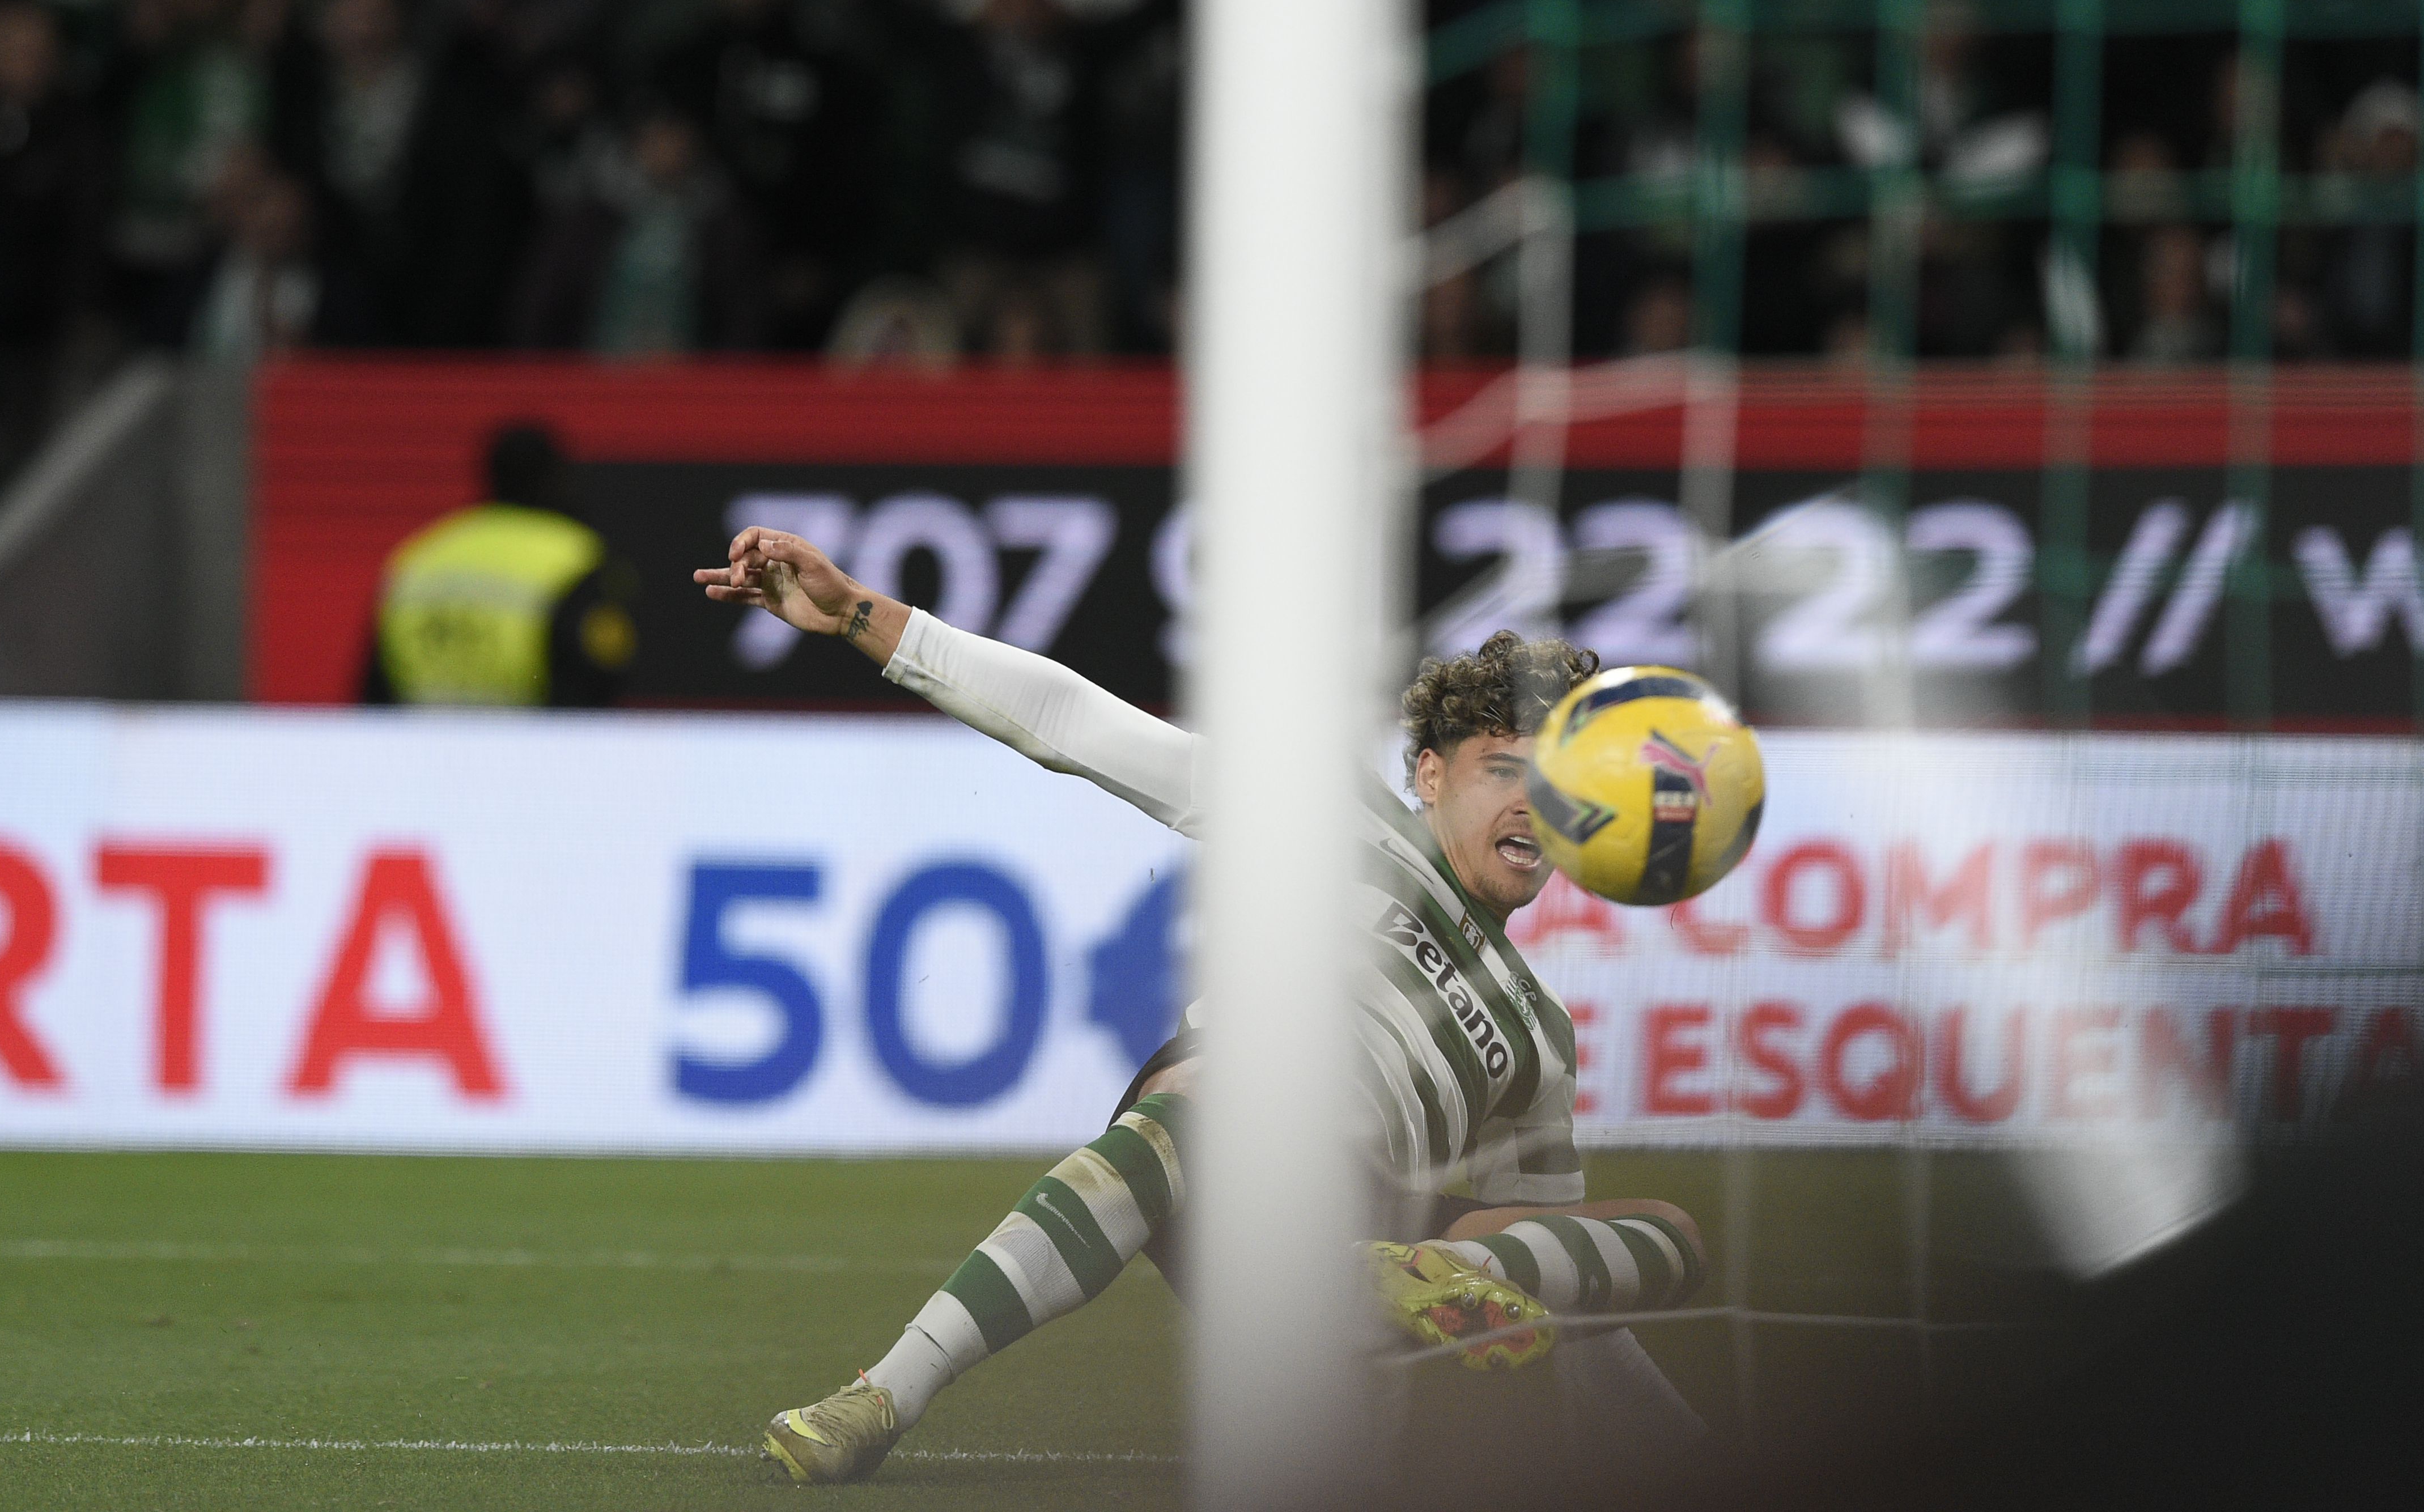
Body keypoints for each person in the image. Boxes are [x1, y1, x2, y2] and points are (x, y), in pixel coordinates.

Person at [696, 525, 1709, 1486]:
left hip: (1362, 1243)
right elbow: (1074, 725)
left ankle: (1401, 1274)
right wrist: (862, 618)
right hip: (1222, 1172)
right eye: (1504, 770)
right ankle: (879, 1399)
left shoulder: (1539, 1036)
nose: (1533, 805)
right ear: (1430, 772)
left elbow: (1568, 1288)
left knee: (1668, 1234)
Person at [363, 422, 634, 707]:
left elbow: (376, 691)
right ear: (557, 477)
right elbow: (595, 681)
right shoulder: (577, 557)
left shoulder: (421, 556)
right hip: (528, 746)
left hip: (426, 746)